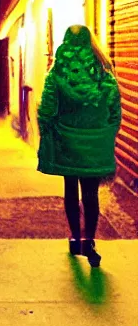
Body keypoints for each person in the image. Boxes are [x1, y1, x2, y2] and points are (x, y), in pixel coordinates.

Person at [37, 25, 121, 267]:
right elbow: (114, 112)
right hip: (94, 146)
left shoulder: (57, 75)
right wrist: (104, 135)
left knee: (71, 191)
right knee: (91, 193)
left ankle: (75, 238)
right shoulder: (105, 75)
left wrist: (49, 135)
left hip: (66, 143)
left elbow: (47, 111)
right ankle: (90, 241)